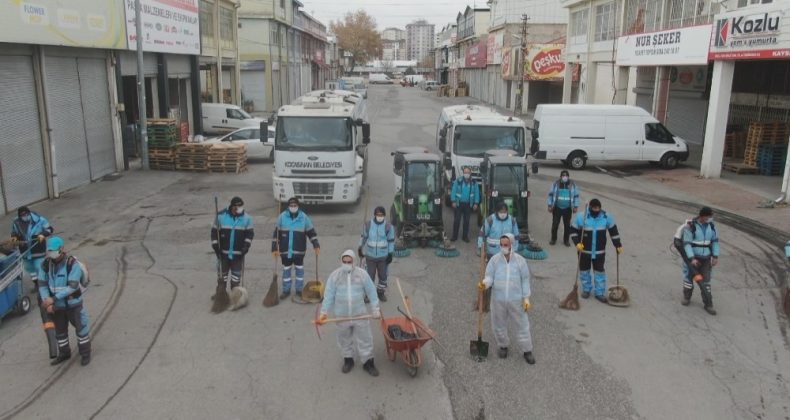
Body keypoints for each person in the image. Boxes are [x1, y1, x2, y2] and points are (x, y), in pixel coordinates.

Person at [318, 250, 381, 376]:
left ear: (354, 262)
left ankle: (368, 362)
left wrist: (375, 309)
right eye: (344, 261)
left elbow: (371, 291)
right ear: (341, 261)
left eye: (349, 262)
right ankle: (348, 360)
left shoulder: (362, 274)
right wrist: (323, 312)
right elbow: (329, 295)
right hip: (342, 316)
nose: (346, 263)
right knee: (344, 339)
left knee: (365, 339)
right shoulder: (335, 276)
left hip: (360, 314)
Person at [478, 234, 535, 364]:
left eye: (506, 245)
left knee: (522, 325)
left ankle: (527, 350)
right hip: (498, 299)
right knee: (498, 324)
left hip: (516, 300)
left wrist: (526, 298)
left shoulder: (520, 261)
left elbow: (525, 280)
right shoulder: (495, 260)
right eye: (502, 245)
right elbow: (489, 276)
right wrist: (485, 283)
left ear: (512, 245)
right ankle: (503, 346)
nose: (503, 247)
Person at [38, 237, 91, 366]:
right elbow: (42, 284)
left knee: (81, 329)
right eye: (49, 251)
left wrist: (54, 299)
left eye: (53, 251)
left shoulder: (73, 264)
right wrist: (47, 301)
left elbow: (72, 287)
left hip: (73, 304)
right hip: (57, 307)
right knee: (60, 332)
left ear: (62, 249)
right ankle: (64, 353)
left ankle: (85, 353)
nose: (51, 253)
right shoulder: (46, 264)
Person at [570, 199, 623, 303]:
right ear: (590, 207)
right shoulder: (582, 217)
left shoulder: (606, 217)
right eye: (594, 208)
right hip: (584, 251)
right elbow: (573, 231)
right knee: (584, 271)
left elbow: (614, 232)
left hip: (599, 251)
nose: (596, 210)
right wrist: (577, 243)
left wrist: (618, 245)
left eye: (598, 208)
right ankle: (586, 289)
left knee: (599, 272)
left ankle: (599, 293)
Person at [272, 197, 320, 299]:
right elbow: (276, 235)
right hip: (285, 251)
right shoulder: (282, 217)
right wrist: (274, 248)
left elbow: (311, 232)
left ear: (298, 206)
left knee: (299, 271)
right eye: (291, 206)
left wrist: (316, 244)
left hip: (299, 251)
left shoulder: (304, 217)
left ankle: (299, 290)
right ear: (288, 206)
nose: (293, 207)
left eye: (295, 206)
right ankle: (286, 290)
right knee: (286, 271)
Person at [681, 207, 720, 315]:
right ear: (703, 216)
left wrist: (715, 256)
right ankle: (687, 297)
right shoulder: (690, 226)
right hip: (693, 258)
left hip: (706, 258)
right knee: (688, 279)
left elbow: (715, 241)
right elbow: (687, 244)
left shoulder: (712, 227)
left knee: (706, 282)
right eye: (709, 216)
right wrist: (692, 258)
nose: (710, 219)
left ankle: (708, 304)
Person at [211, 197, 254, 292]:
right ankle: (221, 294)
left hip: (238, 254)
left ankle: (235, 295)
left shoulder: (247, 218)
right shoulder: (221, 216)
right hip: (223, 254)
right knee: (222, 276)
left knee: (236, 277)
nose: (240, 208)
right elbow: (214, 232)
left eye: (241, 206)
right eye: (237, 206)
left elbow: (249, 235)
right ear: (232, 206)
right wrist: (215, 245)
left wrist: (246, 247)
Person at [10, 206, 54, 288]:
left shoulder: (40, 220)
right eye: (23, 215)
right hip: (25, 251)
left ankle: (45, 284)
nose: (25, 216)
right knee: (29, 268)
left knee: (39, 267)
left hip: (38, 249)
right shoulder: (16, 223)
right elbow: (14, 232)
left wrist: (42, 234)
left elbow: (49, 229)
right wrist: (14, 237)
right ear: (20, 216)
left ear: (29, 213)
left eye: (26, 214)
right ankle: (36, 284)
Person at [358, 206, 395, 302]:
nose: (380, 216)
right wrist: (360, 248)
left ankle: (380, 292)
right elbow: (363, 237)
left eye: (381, 215)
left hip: (383, 257)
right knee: (369, 276)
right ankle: (368, 294)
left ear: (384, 215)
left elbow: (391, 240)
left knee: (383, 276)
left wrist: (390, 253)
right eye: (378, 214)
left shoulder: (388, 226)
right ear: (374, 215)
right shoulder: (368, 225)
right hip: (370, 256)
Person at [546, 170, 580, 246]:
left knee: (567, 226)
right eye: (563, 175)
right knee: (555, 224)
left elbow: (576, 196)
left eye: (566, 175)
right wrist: (549, 205)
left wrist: (575, 206)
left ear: (568, 177)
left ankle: (566, 240)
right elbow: (551, 194)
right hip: (557, 208)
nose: (565, 177)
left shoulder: (572, 184)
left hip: (567, 208)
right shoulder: (555, 184)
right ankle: (553, 239)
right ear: (560, 176)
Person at [450, 167, 480, 242]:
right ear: (463, 173)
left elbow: (477, 193)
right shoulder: (458, 181)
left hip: (468, 205)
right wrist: (453, 201)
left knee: (466, 221)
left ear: (470, 173)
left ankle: (465, 236)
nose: (466, 174)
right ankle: (454, 236)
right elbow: (453, 190)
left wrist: (476, 203)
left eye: (468, 172)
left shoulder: (474, 182)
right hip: (458, 204)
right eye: (465, 172)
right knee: (457, 220)